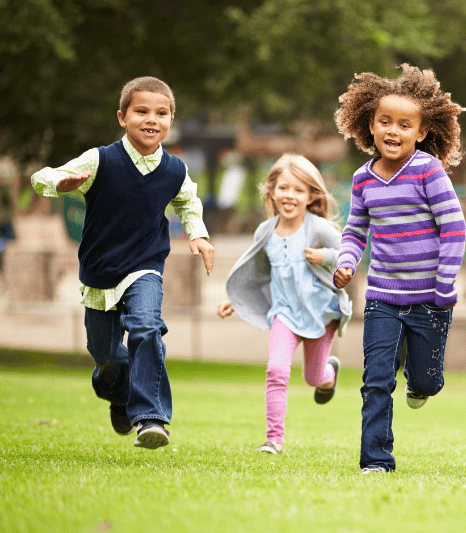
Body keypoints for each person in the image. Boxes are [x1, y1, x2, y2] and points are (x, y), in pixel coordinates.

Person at [31, 76, 215, 449]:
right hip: (100, 270)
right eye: (142, 111)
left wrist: (198, 234)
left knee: (147, 327)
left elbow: (188, 203)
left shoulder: (175, 170)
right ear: (122, 116)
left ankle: (151, 419)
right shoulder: (100, 159)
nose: (152, 119)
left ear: (171, 119)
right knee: (106, 358)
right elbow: (42, 177)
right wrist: (62, 185)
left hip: (145, 266)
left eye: (162, 113)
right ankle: (119, 394)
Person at [332, 63, 466, 473]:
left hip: (430, 298)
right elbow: (356, 231)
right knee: (376, 380)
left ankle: (421, 375)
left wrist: (444, 284)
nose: (394, 131)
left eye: (404, 125)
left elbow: (454, 228)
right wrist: (345, 262)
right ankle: (376, 460)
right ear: (368, 125)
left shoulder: (428, 171)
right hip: (383, 298)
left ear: (421, 132)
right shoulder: (362, 179)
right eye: (385, 122)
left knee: (425, 382)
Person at [217, 154, 352, 454]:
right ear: (272, 192)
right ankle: (274, 439)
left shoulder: (317, 228)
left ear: (311, 196)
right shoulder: (265, 232)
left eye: (298, 190)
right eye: (283, 188)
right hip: (284, 315)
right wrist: (235, 300)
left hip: (320, 314)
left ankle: (328, 373)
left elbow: (348, 253)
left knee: (313, 377)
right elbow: (258, 274)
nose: (289, 195)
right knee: (277, 370)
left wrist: (325, 258)